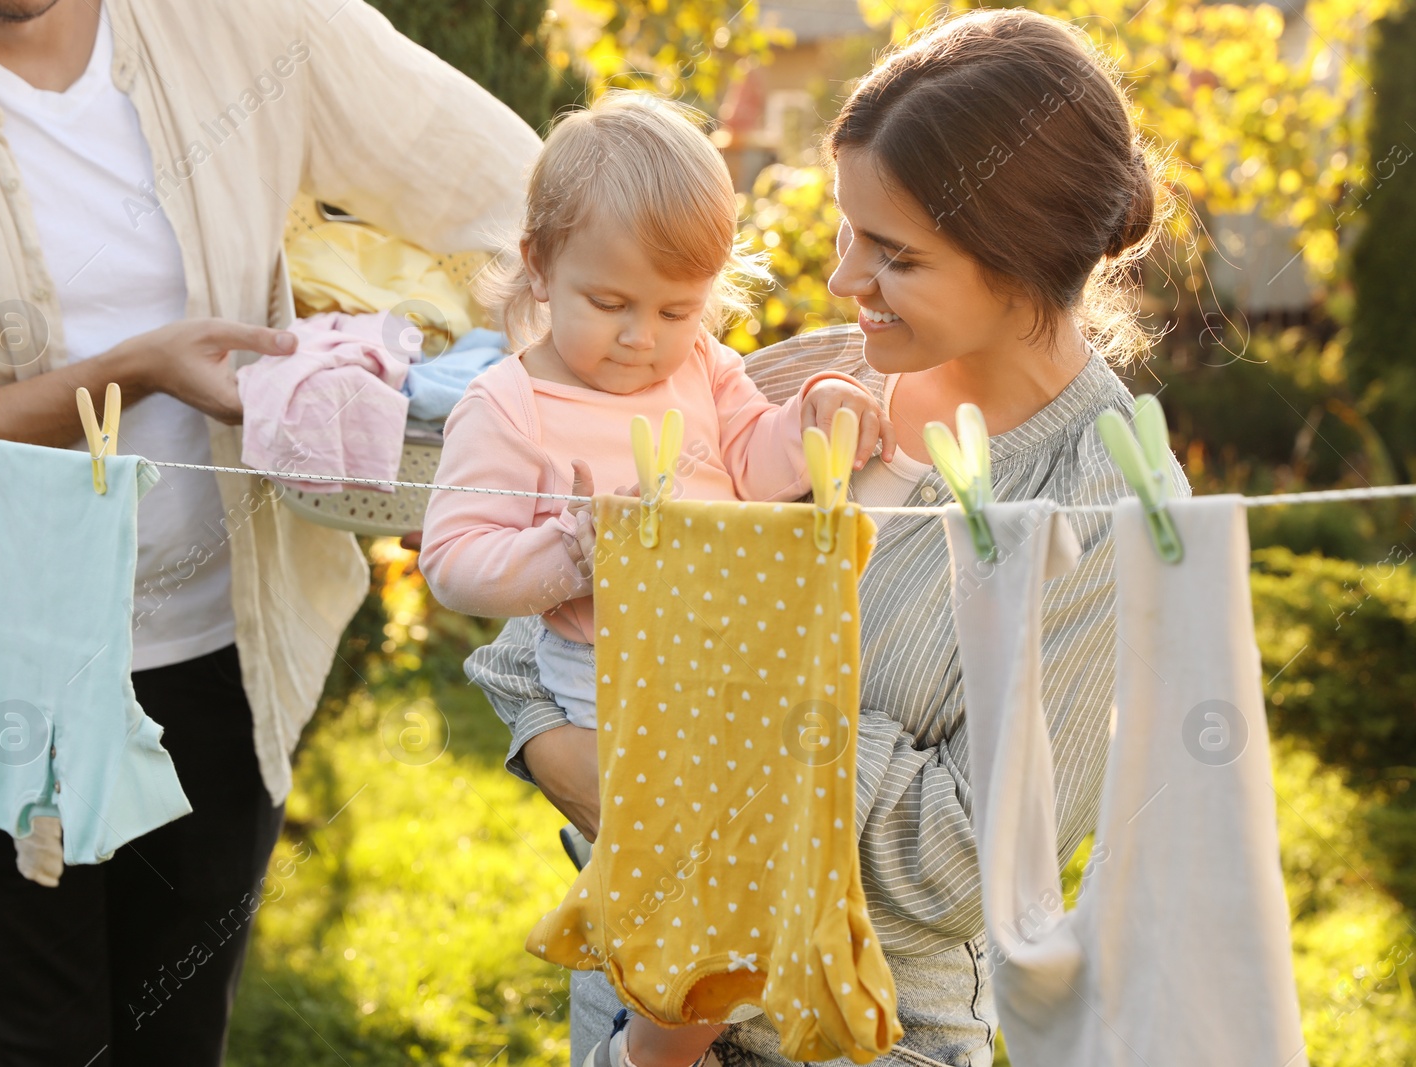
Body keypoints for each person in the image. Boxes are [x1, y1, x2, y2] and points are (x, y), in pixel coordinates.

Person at [462, 9, 1188, 1066]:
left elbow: (957, 860)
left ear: (1019, 259)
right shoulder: (803, 379)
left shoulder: (1101, 501)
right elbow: (536, 636)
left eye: (892, 253)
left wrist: (716, 730)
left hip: (860, 1037)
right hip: (634, 985)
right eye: (850, 228)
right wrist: (572, 752)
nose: (844, 278)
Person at [0, 0, 538, 1063]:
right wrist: (133, 370)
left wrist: (510, 382)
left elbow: (528, 200)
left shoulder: (249, 23)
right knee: (29, 1044)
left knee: (175, 1038)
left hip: (222, 654)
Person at [419, 90, 889, 1067]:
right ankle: (654, 1042)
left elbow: (758, 464)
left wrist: (814, 415)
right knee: (680, 870)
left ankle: (692, 1017)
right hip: (606, 676)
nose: (642, 337)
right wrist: (567, 554)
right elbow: (453, 563)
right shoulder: (509, 406)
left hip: (723, 662)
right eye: (610, 304)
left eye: (677, 309)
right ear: (543, 266)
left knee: (741, 852)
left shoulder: (702, 368)